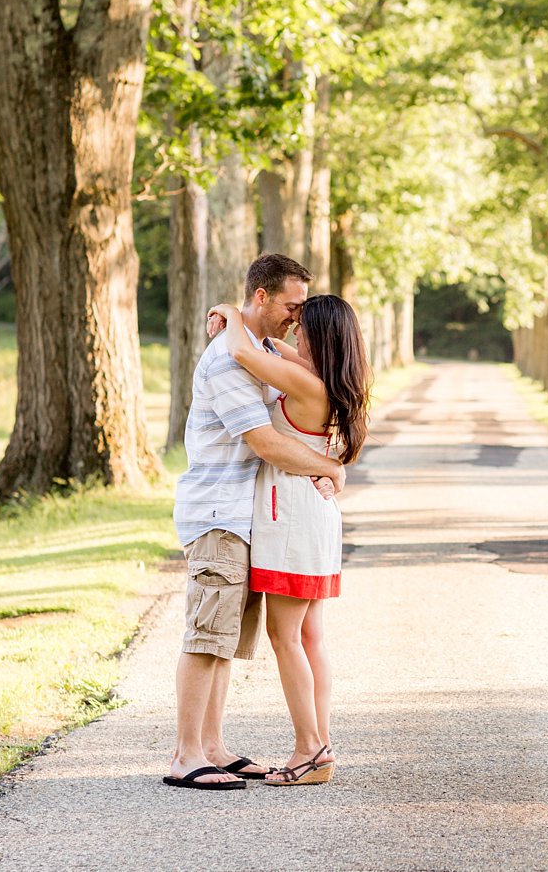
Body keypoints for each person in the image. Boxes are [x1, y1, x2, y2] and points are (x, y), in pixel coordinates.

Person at [164, 254, 346, 792]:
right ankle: (185, 754)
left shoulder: (263, 352)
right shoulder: (228, 357)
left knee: (227, 641)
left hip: (252, 520)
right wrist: (331, 466)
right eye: (291, 305)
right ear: (261, 296)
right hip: (220, 513)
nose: (297, 317)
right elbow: (265, 442)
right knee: (206, 637)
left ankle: (214, 746)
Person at [206, 293, 370, 786]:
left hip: (291, 517)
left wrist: (232, 314)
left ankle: (310, 750)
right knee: (310, 637)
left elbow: (244, 353)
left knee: (285, 637)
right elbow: (274, 346)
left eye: (302, 328)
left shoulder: (303, 381)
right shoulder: (332, 380)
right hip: (313, 517)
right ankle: (320, 744)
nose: (293, 334)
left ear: (320, 338)